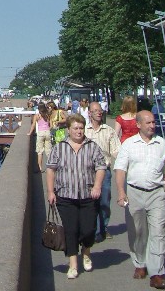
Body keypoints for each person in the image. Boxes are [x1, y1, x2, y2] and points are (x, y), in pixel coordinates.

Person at [115, 110, 165, 289]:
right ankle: (140, 263)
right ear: (138, 124)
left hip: (157, 193)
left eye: (154, 122)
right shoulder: (129, 145)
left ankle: (156, 273)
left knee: (158, 233)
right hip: (134, 193)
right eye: (148, 123)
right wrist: (120, 192)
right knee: (138, 232)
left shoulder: (162, 144)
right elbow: (120, 169)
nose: (152, 126)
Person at [46, 114, 107, 279]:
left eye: (81, 128)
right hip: (65, 196)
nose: (79, 131)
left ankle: (86, 251)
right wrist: (50, 191)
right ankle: (73, 264)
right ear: (68, 130)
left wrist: (97, 186)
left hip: (88, 195)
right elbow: (51, 169)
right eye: (75, 128)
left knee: (88, 230)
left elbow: (101, 167)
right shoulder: (59, 148)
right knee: (71, 230)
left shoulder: (92, 147)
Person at [85, 101, 120, 242]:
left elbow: (117, 151)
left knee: (104, 202)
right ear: (89, 113)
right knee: (89, 203)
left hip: (104, 171)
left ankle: (104, 228)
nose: (99, 113)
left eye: (100, 110)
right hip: (88, 171)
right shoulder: (84, 130)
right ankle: (93, 230)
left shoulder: (109, 130)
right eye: (95, 111)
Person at [29, 101, 53, 171]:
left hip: (40, 133)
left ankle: (39, 167)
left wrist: (30, 132)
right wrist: (48, 129)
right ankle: (50, 167)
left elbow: (33, 125)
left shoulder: (37, 115)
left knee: (40, 152)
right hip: (47, 132)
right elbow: (51, 125)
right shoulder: (48, 115)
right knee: (48, 151)